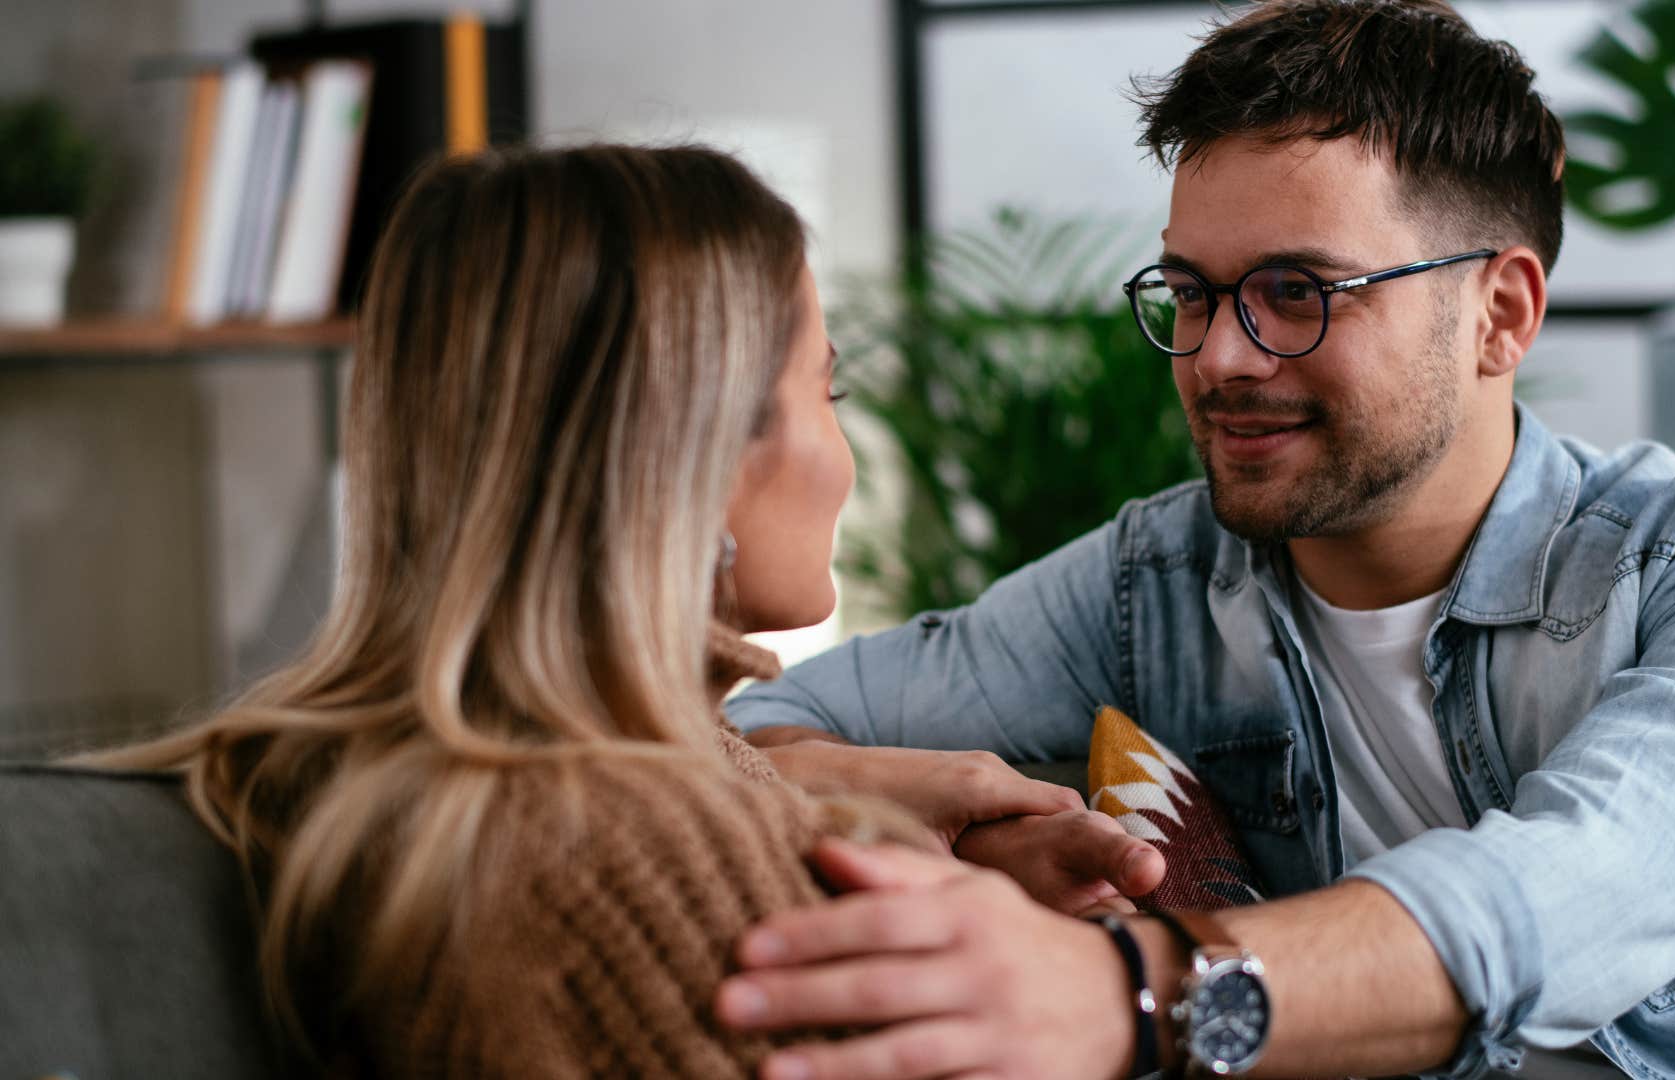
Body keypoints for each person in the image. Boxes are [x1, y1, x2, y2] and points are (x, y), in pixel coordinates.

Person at [723, 2, 1675, 1077]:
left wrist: (1133, 995)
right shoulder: (1157, 584)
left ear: (1498, 315)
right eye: (1192, 293)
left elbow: (1563, 896)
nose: (1222, 357)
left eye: (1299, 289)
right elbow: (740, 736)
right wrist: (963, 823)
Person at [94, 143, 1091, 1077]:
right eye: (825, 390)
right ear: (696, 456)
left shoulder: (416, 773)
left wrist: (860, 828)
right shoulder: (617, 858)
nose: (845, 457)